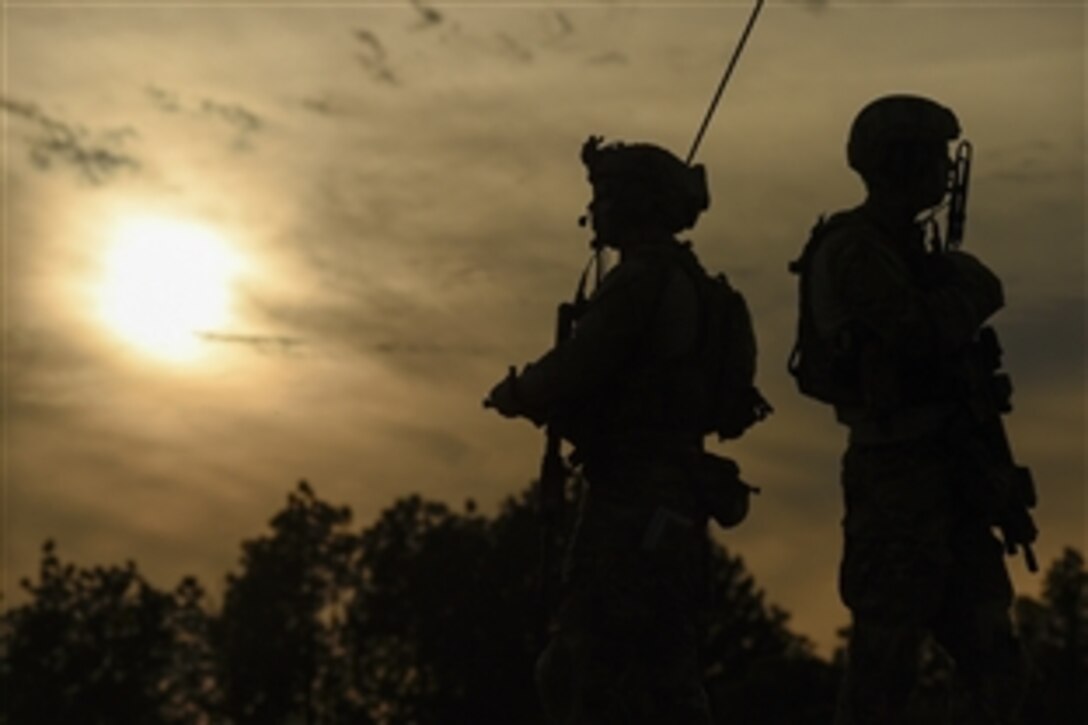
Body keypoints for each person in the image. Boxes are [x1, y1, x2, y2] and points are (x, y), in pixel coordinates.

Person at [484, 136, 766, 724]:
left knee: (584, 666)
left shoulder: (642, 281)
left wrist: (517, 393)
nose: (597, 210)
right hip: (677, 496)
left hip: (631, 501)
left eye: (609, 194)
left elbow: (580, 364)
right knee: (665, 666)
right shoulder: (700, 287)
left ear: (642, 202)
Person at [788, 94, 1029, 724]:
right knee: (884, 666)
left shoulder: (911, 249)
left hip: (949, 465)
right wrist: (974, 287)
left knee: (992, 654)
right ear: (902, 161)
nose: (947, 170)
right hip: (896, 475)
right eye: (935, 157)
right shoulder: (856, 249)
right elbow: (918, 334)